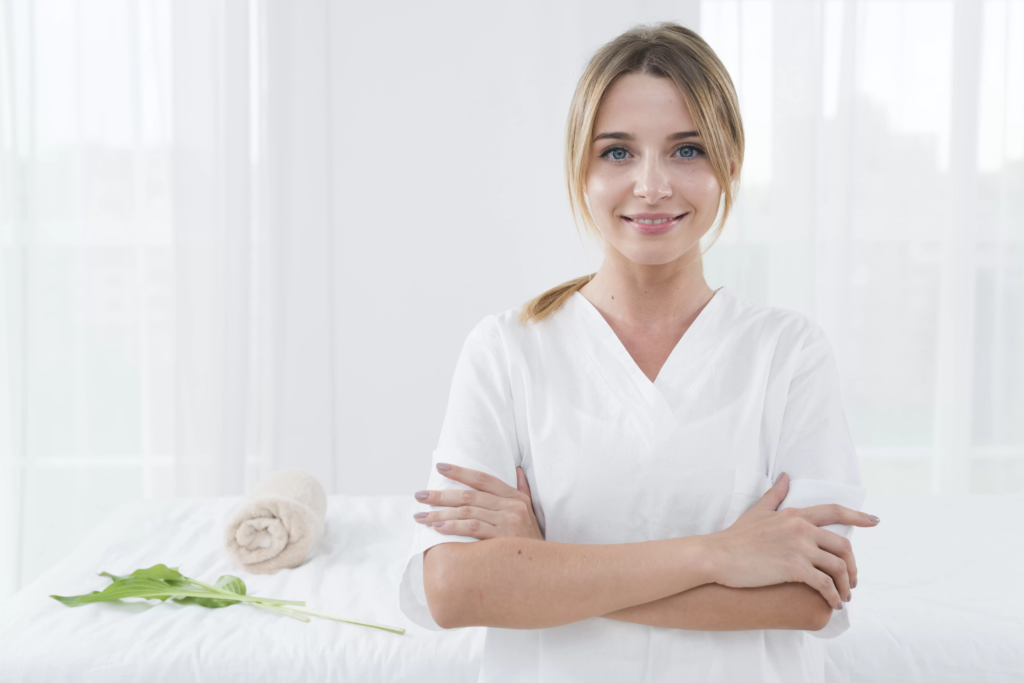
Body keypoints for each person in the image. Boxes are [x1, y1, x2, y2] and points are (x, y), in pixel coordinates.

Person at [398, 20, 879, 683]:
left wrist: (548, 567)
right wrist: (719, 554)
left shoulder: (786, 353)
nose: (652, 186)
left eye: (687, 151)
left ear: (730, 163)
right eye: (618, 153)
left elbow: (806, 595)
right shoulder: (507, 350)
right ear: (581, 168)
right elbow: (454, 588)